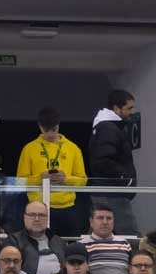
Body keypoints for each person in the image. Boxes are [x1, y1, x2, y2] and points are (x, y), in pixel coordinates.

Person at [15, 107, 87, 238]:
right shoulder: (29, 149)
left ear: (58, 125)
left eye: (53, 129)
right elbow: (19, 181)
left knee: (69, 246)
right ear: (39, 127)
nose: (50, 134)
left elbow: (82, 180)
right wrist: (39, 178)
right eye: (46, 130)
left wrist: (66, 179)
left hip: (67, 207)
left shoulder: (73, 148)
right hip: (38, 208)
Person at [88, 90, 140, 237]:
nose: (132, 112)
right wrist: (124, 177)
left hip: (110, 191)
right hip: (113, 192)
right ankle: (137, 261)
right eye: (129, 108)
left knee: (100, 234)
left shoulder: (105, 128)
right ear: (116, 109)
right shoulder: (108, 129)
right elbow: (102, 160)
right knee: (130, 235)